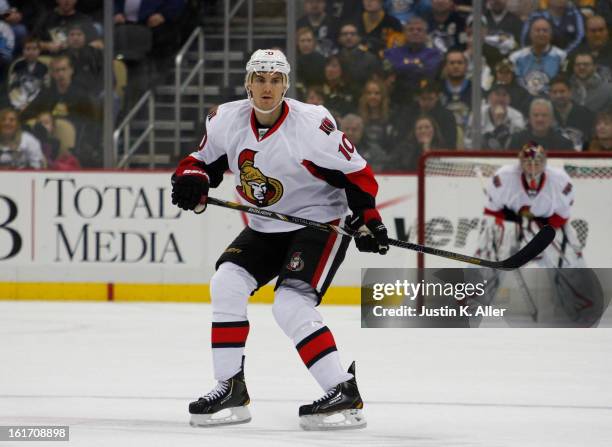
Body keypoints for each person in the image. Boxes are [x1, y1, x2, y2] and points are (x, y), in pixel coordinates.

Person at [171, 49, 389, 430]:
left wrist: (367, 219)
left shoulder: (311, 123)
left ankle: (342, 391)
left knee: (289, 304)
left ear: (286, 85)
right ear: (247, 83)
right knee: (226, 284)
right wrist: (192, 179)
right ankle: (230, 389)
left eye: (275, 79)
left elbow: (357, 173)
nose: (267, 87)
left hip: (318, 223)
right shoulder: (226, 119)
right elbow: (202, 160)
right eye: (259, 79)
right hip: (265, 226)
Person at [478, 142, 583, 269]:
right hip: (514, 225)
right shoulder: (504, 176)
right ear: (521, 163)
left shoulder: (560, 180)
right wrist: (509, 222)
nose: (533, 168)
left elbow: (562, 215)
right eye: (528, 163)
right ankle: (479, 276)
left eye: (537, 163)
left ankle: (575, 283)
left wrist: (542, 230)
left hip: (547, 226)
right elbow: (492, 211)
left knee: (570, 257)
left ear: (544, 163)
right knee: (493, 237)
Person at [509, 17, 566, 96]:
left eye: (545, 30)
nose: (541, 33)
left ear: (551, 34)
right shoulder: (516, 57)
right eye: (537, 30)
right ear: (530, 34)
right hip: (522, 100)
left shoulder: (561, 56)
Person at [464, 83, 525, 150]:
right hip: (482, 157)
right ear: (489, 97)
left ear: (509, 99)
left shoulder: (517, 117)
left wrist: (500, 125)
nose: (501, 99)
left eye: (504, 95)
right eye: (497, 94)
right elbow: (468, 142)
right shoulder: (477, 114)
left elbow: (519, 145)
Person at [520, 0, 584, 54]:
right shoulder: (535, 16)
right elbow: (525, 40)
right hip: (538, 58)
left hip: (569, 56)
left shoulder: (575, 14)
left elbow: (580, 38)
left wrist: (563, 54)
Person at [509, 98, 574, 151]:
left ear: (551, 119)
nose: (540, 119)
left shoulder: (564, 144)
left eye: (544, 115)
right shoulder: (517, 141)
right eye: (536, 115)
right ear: (529, 118)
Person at [549, 76, 594, 150]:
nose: (558, 95)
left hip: (579, 158)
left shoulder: (586, 114)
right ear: (550, 94)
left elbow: (591, 141)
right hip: (552, 158)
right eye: (554, 92)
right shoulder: (544, 115)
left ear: (570, 92)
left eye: (562, 91)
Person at [8, 36, 49, 111]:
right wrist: (20, 103)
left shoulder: (43, 67)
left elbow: (45, 87)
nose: (31, 52)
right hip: (19, 100)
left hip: (37, 102)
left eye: (34, 49)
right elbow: (12, 86)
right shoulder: (17, 65)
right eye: (28, 49)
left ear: (39, 51)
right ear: (23, 51)